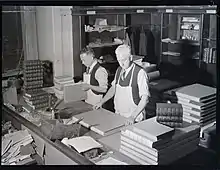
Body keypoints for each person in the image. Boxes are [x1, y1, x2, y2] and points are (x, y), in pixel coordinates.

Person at [94, 44, 150, 125]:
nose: (121, 64)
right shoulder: (119, 70)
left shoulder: (140, 73)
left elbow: (145, 98)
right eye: (119, 60)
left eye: (124, 60)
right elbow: (113, 88)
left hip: (134, 119)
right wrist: (101, 102)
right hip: (119, 115)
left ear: (130, 58)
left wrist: (132, 117)